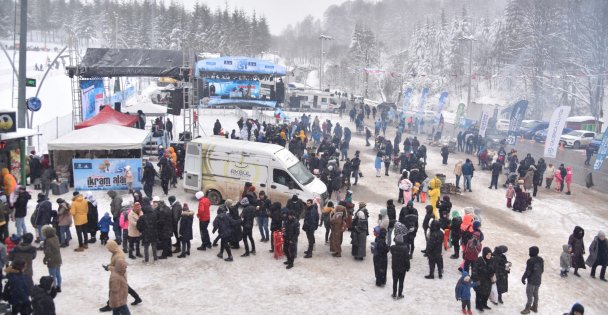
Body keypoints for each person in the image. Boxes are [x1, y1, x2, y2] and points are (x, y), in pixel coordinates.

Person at [99, 240, 142, 312]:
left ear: (112, 247)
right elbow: (115, 264)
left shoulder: (119, 256)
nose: (108, 250)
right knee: (125, 287)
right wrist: (109, 265)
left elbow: (118, 268)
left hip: (119, 274)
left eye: (109, 248)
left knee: (113, 290)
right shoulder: (116, 251)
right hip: (119, 274)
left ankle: (109, 305)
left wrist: (108, 268)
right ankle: (137, 298)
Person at [520, 246, 544, 314]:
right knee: (535, 294)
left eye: (530, 251)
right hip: (538, 280)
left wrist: (523, 278)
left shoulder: (530, 260)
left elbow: (528, 271)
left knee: (529, 294)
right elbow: (542, 270)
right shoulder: (541, 259)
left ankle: (527, 308)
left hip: (531, 281)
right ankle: (535, 307)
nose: (529, 253)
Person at [472, 247, 494, 312]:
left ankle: (484, 304)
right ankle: (478, 306)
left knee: (486, 293)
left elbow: (493, 268)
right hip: (480, 281)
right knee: (479, 294)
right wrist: (477, 279)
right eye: (488, 255)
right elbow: (474, 270)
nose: (489, 256)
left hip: (488, 280)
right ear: (484, 254)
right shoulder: (479, 260)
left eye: (490, 254)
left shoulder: (491, 260)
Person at [137, 199, 159, 264]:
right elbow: (157, 224)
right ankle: (155, 259)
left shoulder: (142, 217)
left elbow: (138, 226)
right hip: (154, 233)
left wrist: (142, 231)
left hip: (145, 234)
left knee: (146, 248)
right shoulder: (154, 216)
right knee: (154, 246)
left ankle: (147, 260)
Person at [390, 234, 410, 299]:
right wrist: (408, 267)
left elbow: (391, 248)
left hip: (395, 268)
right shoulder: (405, 249)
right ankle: (400, 294)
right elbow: (407, 260)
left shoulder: (393, 248)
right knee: (401, 282)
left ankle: (394, 293)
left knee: (395, 281)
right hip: (402, 268)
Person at [42, 226, 62, 293]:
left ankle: (54, 287)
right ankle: (59, 287)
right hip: (58, 258)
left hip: (52, 260)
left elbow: (48, 252)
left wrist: (45, 259)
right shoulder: (56, 237)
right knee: (58, 274)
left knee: (52, 275)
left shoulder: (48, 241)